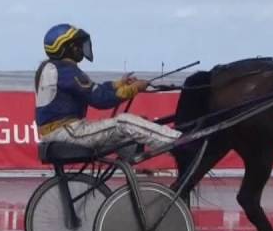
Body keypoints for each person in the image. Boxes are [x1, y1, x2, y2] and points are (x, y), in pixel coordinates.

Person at [35, 24, 181, 152]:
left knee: (135, 125)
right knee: (125, 123)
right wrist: (134, 88)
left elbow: (95, 89)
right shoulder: (65, 70)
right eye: (77, 45)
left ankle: (135, 170)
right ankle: (181, 143)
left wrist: (121, 83)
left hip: (61, 132)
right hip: (67, 132)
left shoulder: (53, 68)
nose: (80, 48)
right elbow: (100, 99)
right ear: (67, 48)